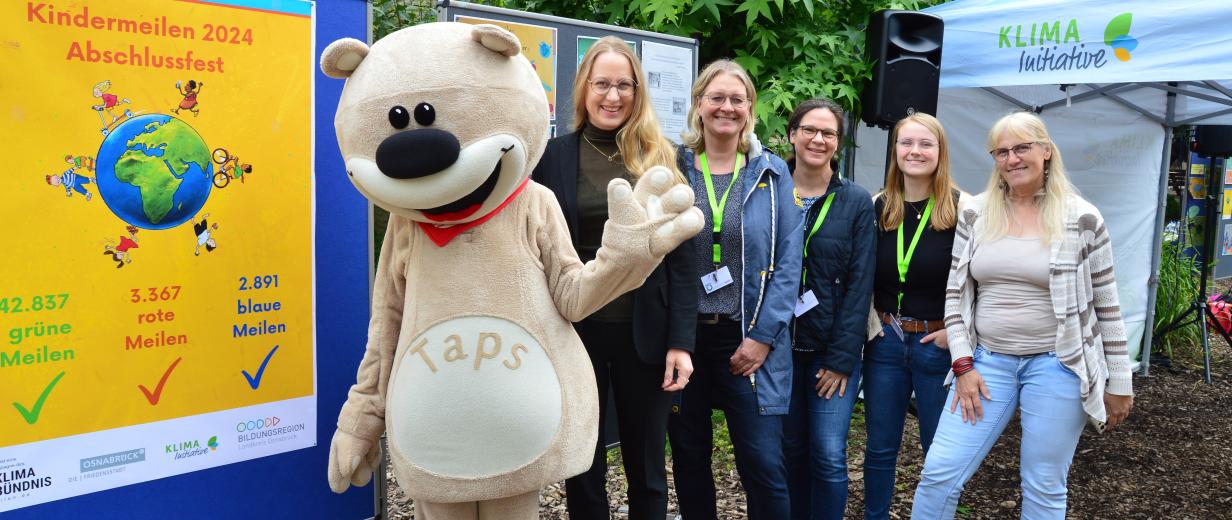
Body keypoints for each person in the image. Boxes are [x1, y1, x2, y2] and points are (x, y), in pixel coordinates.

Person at [912, 111, 1134, 519]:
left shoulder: (1082, 217)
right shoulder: (976, 212)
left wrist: (1120, 380)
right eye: (1002, 151)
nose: (1012, 158)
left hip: (1058, 365)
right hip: (986, 365)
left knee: (1044, 483)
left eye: (1022, 148)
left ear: (1046, 152)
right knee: (939, 473)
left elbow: (1107, 305)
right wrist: (963, 366)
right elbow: (956, 299)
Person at [532, 36, 698, 520]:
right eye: (602, 83)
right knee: (582, 463)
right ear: (584, 88)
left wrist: (681, 342)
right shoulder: (551, 157)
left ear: (638, 92)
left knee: (646, 465)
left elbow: (684, 261)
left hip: (645, 333)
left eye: (624, 85)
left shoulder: (662, 158)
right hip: (574, 331)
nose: (613, 95)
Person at [667, 59, 803, 520]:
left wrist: (763, 337)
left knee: (763, 463)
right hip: (684, 340)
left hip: (747, 335)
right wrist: (673, 339)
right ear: (699, 104)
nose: (727, 107)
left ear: (750, 109)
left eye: (737, 99)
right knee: (688, 458)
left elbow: (789, 260)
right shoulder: (674, 167)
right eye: (717, 98)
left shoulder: (771, 174)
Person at [862, 113, 961, 520]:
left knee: (940, 449)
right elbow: (861, 276)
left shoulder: (962, 210)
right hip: (886, 340)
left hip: (937, 343)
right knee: (880, 447)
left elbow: (977, 285)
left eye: (926, 144)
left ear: (940, 152)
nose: (915, 151)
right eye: (907, 143)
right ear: (895, 150)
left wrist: (954, 336)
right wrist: (873, 327)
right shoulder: (877, 206)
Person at [780, 98, 875, 520]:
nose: (819, 139)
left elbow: (860, 286)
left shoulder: (855, 201)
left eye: (829, 133)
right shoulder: (770, 188)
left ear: (838, 143)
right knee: (790, 450)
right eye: (810, 130)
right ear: (792, 134)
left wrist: (841, 359)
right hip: (776, 350)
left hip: (830, 353)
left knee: (829, 454)